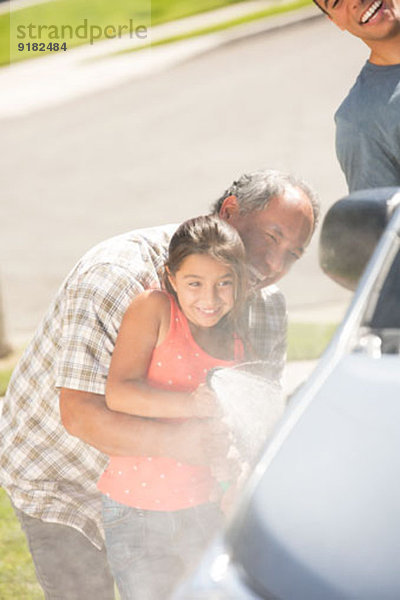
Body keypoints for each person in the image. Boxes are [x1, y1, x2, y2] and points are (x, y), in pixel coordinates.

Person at [0, 169, 319, 600]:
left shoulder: (265, 310)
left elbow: (252, 425)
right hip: (61, 476)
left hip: (170, 496)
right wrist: (184, 441)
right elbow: (79, 413)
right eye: (271, 237)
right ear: (230, 212)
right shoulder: (118, 275)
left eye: (293, 254)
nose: (275, 264)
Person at [99, 215, 250, 599]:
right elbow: (118, 392)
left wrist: (232, 468)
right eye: (194, 283)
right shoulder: (156, 310)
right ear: (171, 277)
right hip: (138, 510)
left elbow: (222, 430)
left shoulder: (234, 343)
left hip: (202, 507)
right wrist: (191, 405)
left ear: (239, 282)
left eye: (224, 284)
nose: (210, 298)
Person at [313, 0, 400, 191]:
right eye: (336, 2)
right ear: (335, 21)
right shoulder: (359, 122)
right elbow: (384, 218)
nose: (354, 1)